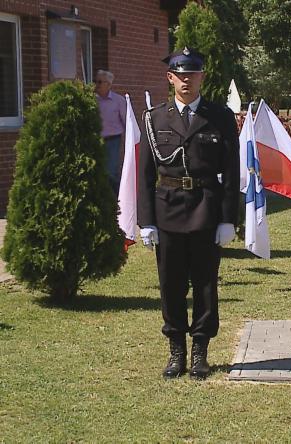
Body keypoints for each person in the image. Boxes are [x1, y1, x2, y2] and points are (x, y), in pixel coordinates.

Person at [137, 47, 240, 379]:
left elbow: (232, 171)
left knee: (205, 284)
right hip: (167, 209)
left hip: (206, 209)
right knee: (171, 284)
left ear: (201, 78)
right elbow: (145, 174)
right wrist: (146, 221)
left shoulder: (221, 116)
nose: (186, 80)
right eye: (180, 75)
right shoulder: (154, 118)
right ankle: (176, 350)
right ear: (170, 78)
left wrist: (228, 218)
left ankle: (200, 351)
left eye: (192, 74)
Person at [94, 69, 127, 197]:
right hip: (96, 140)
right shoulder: (93, 101)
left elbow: (126, 121)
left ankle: (117, 199)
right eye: (95, 81)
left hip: (113, 140)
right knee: (99, 171)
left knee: (111, 172)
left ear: (108, 84)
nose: (96, 84)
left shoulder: (118, 101)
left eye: (99, 82)